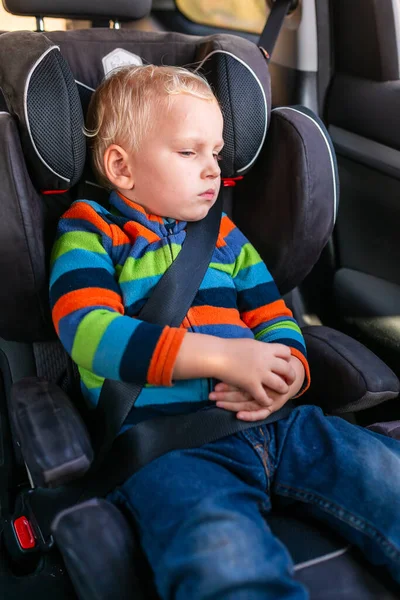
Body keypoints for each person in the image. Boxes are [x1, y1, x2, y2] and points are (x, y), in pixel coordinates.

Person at [49, 65, 400, 599]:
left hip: (283, 425)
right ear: (121, 166)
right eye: (190, 153)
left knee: (386, 483)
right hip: (170, 450)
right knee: (223, 561)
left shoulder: (226, 237)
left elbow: (274, 315)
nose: (213, 169)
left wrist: (290, 370)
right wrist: (218, 356)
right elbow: (88, 332)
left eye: (215, 152)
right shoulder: (91, 230)